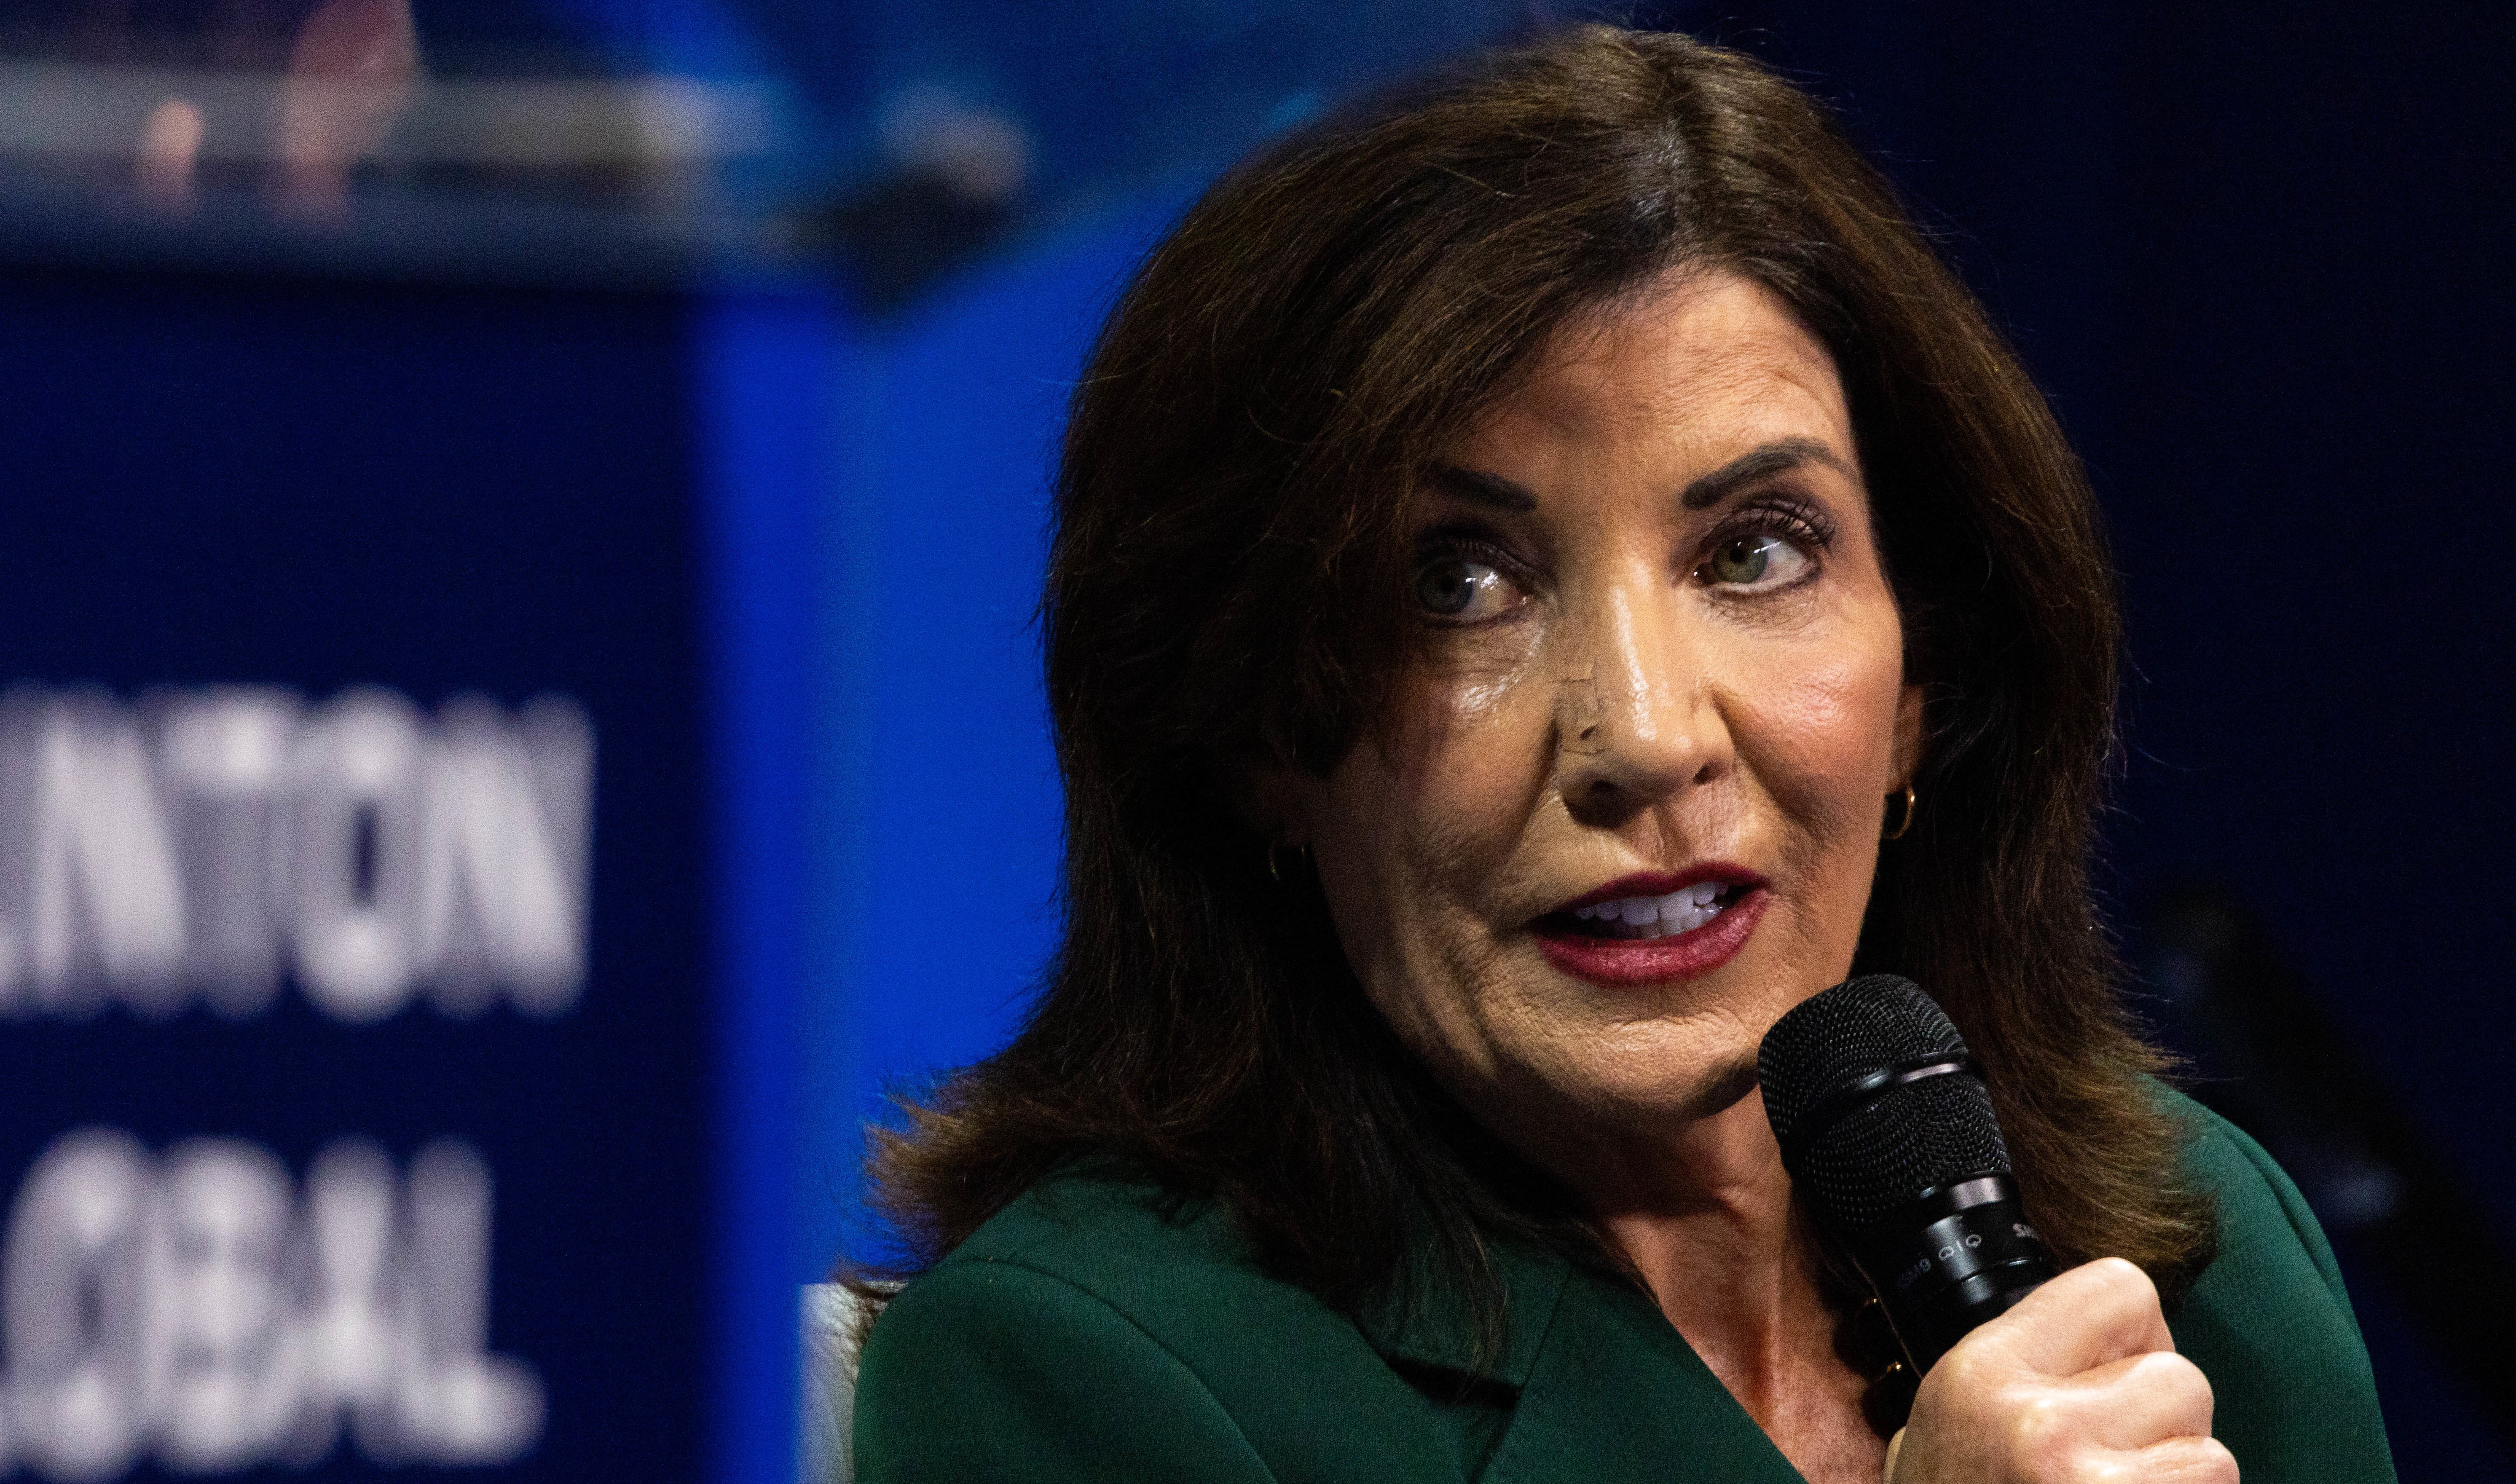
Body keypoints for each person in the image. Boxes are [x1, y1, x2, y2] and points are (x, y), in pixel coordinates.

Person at [847, 25, 2393, 1484]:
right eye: (1459, 583)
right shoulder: (1081, 1377)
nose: (1647, 737)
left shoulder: (2195, 1257)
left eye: (1758, 551)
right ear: (1257, 730)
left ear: (1929, 675)